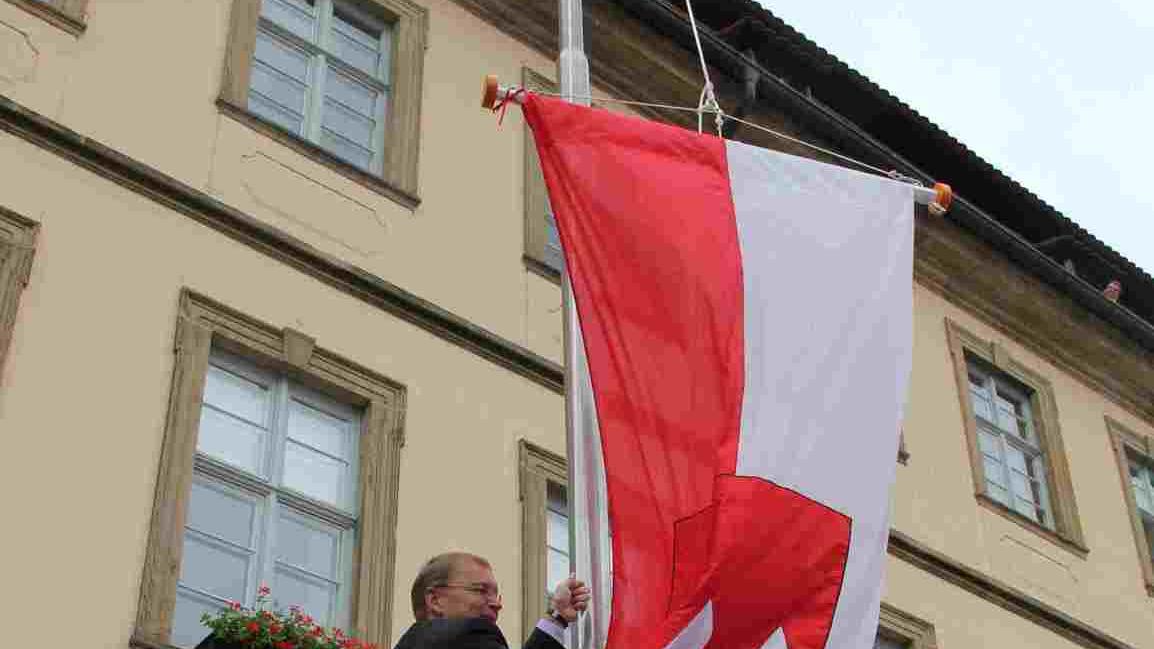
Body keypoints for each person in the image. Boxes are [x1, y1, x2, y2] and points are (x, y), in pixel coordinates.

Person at [393, 551, 590, 649]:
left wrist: (558, 616)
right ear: (435, 600)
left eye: (495, 594)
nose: (497, 604)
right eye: (481, 590)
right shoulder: (469, 634)